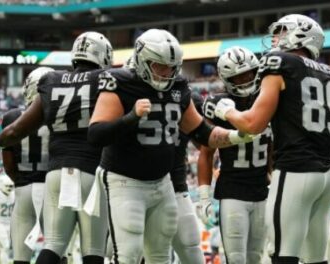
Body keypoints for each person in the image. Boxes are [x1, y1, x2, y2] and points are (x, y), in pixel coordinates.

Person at [87, 28, 257, 264]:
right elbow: (95, 134)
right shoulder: (121, 83)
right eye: (160, 65)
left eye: (171, 66)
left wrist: (238, 136)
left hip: (163, 182)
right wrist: (131, 118)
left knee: (161, 255)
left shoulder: (177, 87)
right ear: (142, 60)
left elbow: (202, 133)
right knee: (128, 255)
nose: (167, 72)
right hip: (125, 180)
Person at [213, 14, 330, 264]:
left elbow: (253, 124)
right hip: (329, 175)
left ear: (300, 35)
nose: (275, 38)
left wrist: (226, 111)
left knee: (283, 252)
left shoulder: (279, 63)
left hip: (296, 171)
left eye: (282, 31)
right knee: (316, 256)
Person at [0, 31, 113, 264]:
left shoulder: (52, 82)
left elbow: (14, 132)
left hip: (55, 174)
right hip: (90, 171)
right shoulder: (105, 79)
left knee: (54, 244)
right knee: (93, 249)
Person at [198, 46, 271, 264]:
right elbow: (206, 152)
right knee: (236, 258)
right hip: (232, 190)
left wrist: (275, 180)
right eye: (238, 77)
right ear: (227, 79)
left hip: (261, 189)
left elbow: (273, 147)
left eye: (249, 73)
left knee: (256, 257)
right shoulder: (219, 105)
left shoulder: (266, 100)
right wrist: (203, 196)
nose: (245, 79)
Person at [1, 67, 52, 264]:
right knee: (56, 249)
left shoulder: (11, 117)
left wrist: (22, 180)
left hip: (23, 189)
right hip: (51, 190)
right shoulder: (57, 118)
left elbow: (8, 164)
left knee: (20, 258)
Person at [169, 91, 205, 264]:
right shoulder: (130, 95)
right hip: (138, 188)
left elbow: (204, 142)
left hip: (176, 187)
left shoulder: (184, 97)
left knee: (191, 248)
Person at [0, 175, 14, 264]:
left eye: (10, 186)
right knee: (6, 246)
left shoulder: (14, 194)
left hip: (9, 223)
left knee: (2, 247)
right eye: (7, 186)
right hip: (0, 223)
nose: (9, 188)